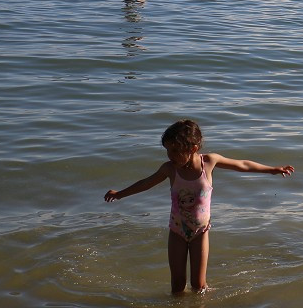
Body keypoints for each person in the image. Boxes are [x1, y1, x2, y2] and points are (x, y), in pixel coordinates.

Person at [103, 119, 293, 295]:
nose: (171, 156)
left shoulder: (209, 162)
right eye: (168, 150)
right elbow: (146, 183)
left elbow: (242, 164)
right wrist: (120, 194)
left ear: (193, 148)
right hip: (176, 232)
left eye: (175, 151)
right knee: (177, 286)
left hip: (200, 233)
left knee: (198, 286)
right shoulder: (169, 169)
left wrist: (272, 170)